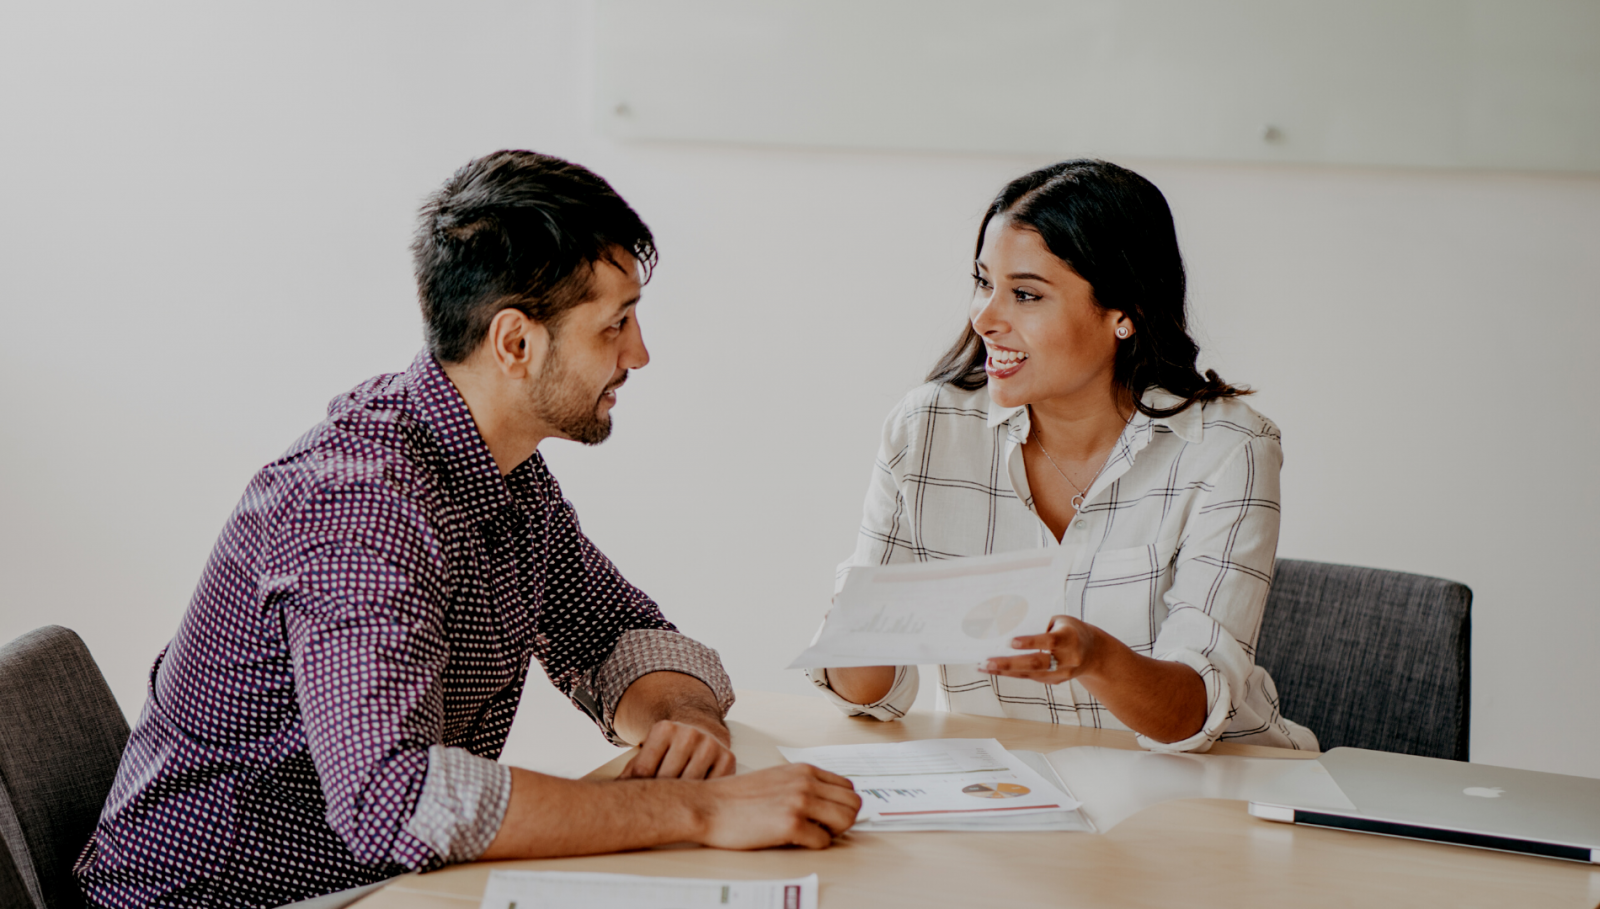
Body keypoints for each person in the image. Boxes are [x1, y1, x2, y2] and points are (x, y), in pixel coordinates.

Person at [76, 151, 860, 909]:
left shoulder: (503, 472)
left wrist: (683, 720)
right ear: (515, 342)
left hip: (381, 888)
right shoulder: (358, 505)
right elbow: (395, 797)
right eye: (615, 325)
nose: (640, 354)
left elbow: (618, 636)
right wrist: (702, 810)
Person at [810, 160, 1315, 754]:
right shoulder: (927, 427)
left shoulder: (1229, 449)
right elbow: (871, 696)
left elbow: (1191, 715)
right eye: (983, 283)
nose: (985, 318)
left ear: (1122, 312)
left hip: (1216, 786)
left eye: (1025, 294)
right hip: (1013, 792)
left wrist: (1095, 657)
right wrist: (859, 627)